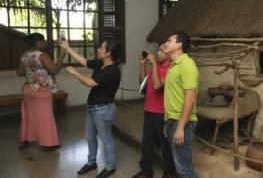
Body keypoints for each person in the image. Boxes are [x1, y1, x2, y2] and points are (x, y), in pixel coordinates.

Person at [60, 39, 121, 178]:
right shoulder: (101, 64)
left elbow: (90, 83)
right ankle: (92, 162)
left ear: (108, 53)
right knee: (89, 136)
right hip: (92, 108)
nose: (98, 49)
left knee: (106, 139)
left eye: (101, 48)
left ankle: (110, 166)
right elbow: (84, 61)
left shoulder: (113, 70)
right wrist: (67, 48)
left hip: (103, 110)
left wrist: (74, 72)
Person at [17, 33, 65, 150]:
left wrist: (33, 73)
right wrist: (61, 57)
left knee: (28, 116)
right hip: (41, 91)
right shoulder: (42, 55)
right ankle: (48, 144)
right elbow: (54, 70)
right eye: (43, 41)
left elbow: (20, 72)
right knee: (45, 117)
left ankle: (25, 140)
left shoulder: (25, 55)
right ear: (38, 43)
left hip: (27, 90)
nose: (45, 43)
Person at [131, 47, 175, 178]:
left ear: (168, 55)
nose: (157, 53)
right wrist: (143, 66)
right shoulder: (155, 68)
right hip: (148, 110)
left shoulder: (170, 68)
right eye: (158, 50)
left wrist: (154, 63)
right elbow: (142, 83)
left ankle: (169, 172)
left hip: (162, 113)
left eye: (161, 51)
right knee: (147, 143)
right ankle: (146, 171)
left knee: (165, 145)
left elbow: (157, 86)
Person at [162, 32, 199, 178]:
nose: (165, 43)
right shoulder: (173, 65)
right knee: (180, 164)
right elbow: (173, 96)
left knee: (184, 167)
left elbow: (190, 97)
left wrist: (180, 127)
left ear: (179, 45)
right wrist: (168, 122)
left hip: (182, 122)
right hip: (173, 120)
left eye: (169, 40)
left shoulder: (187, 64)